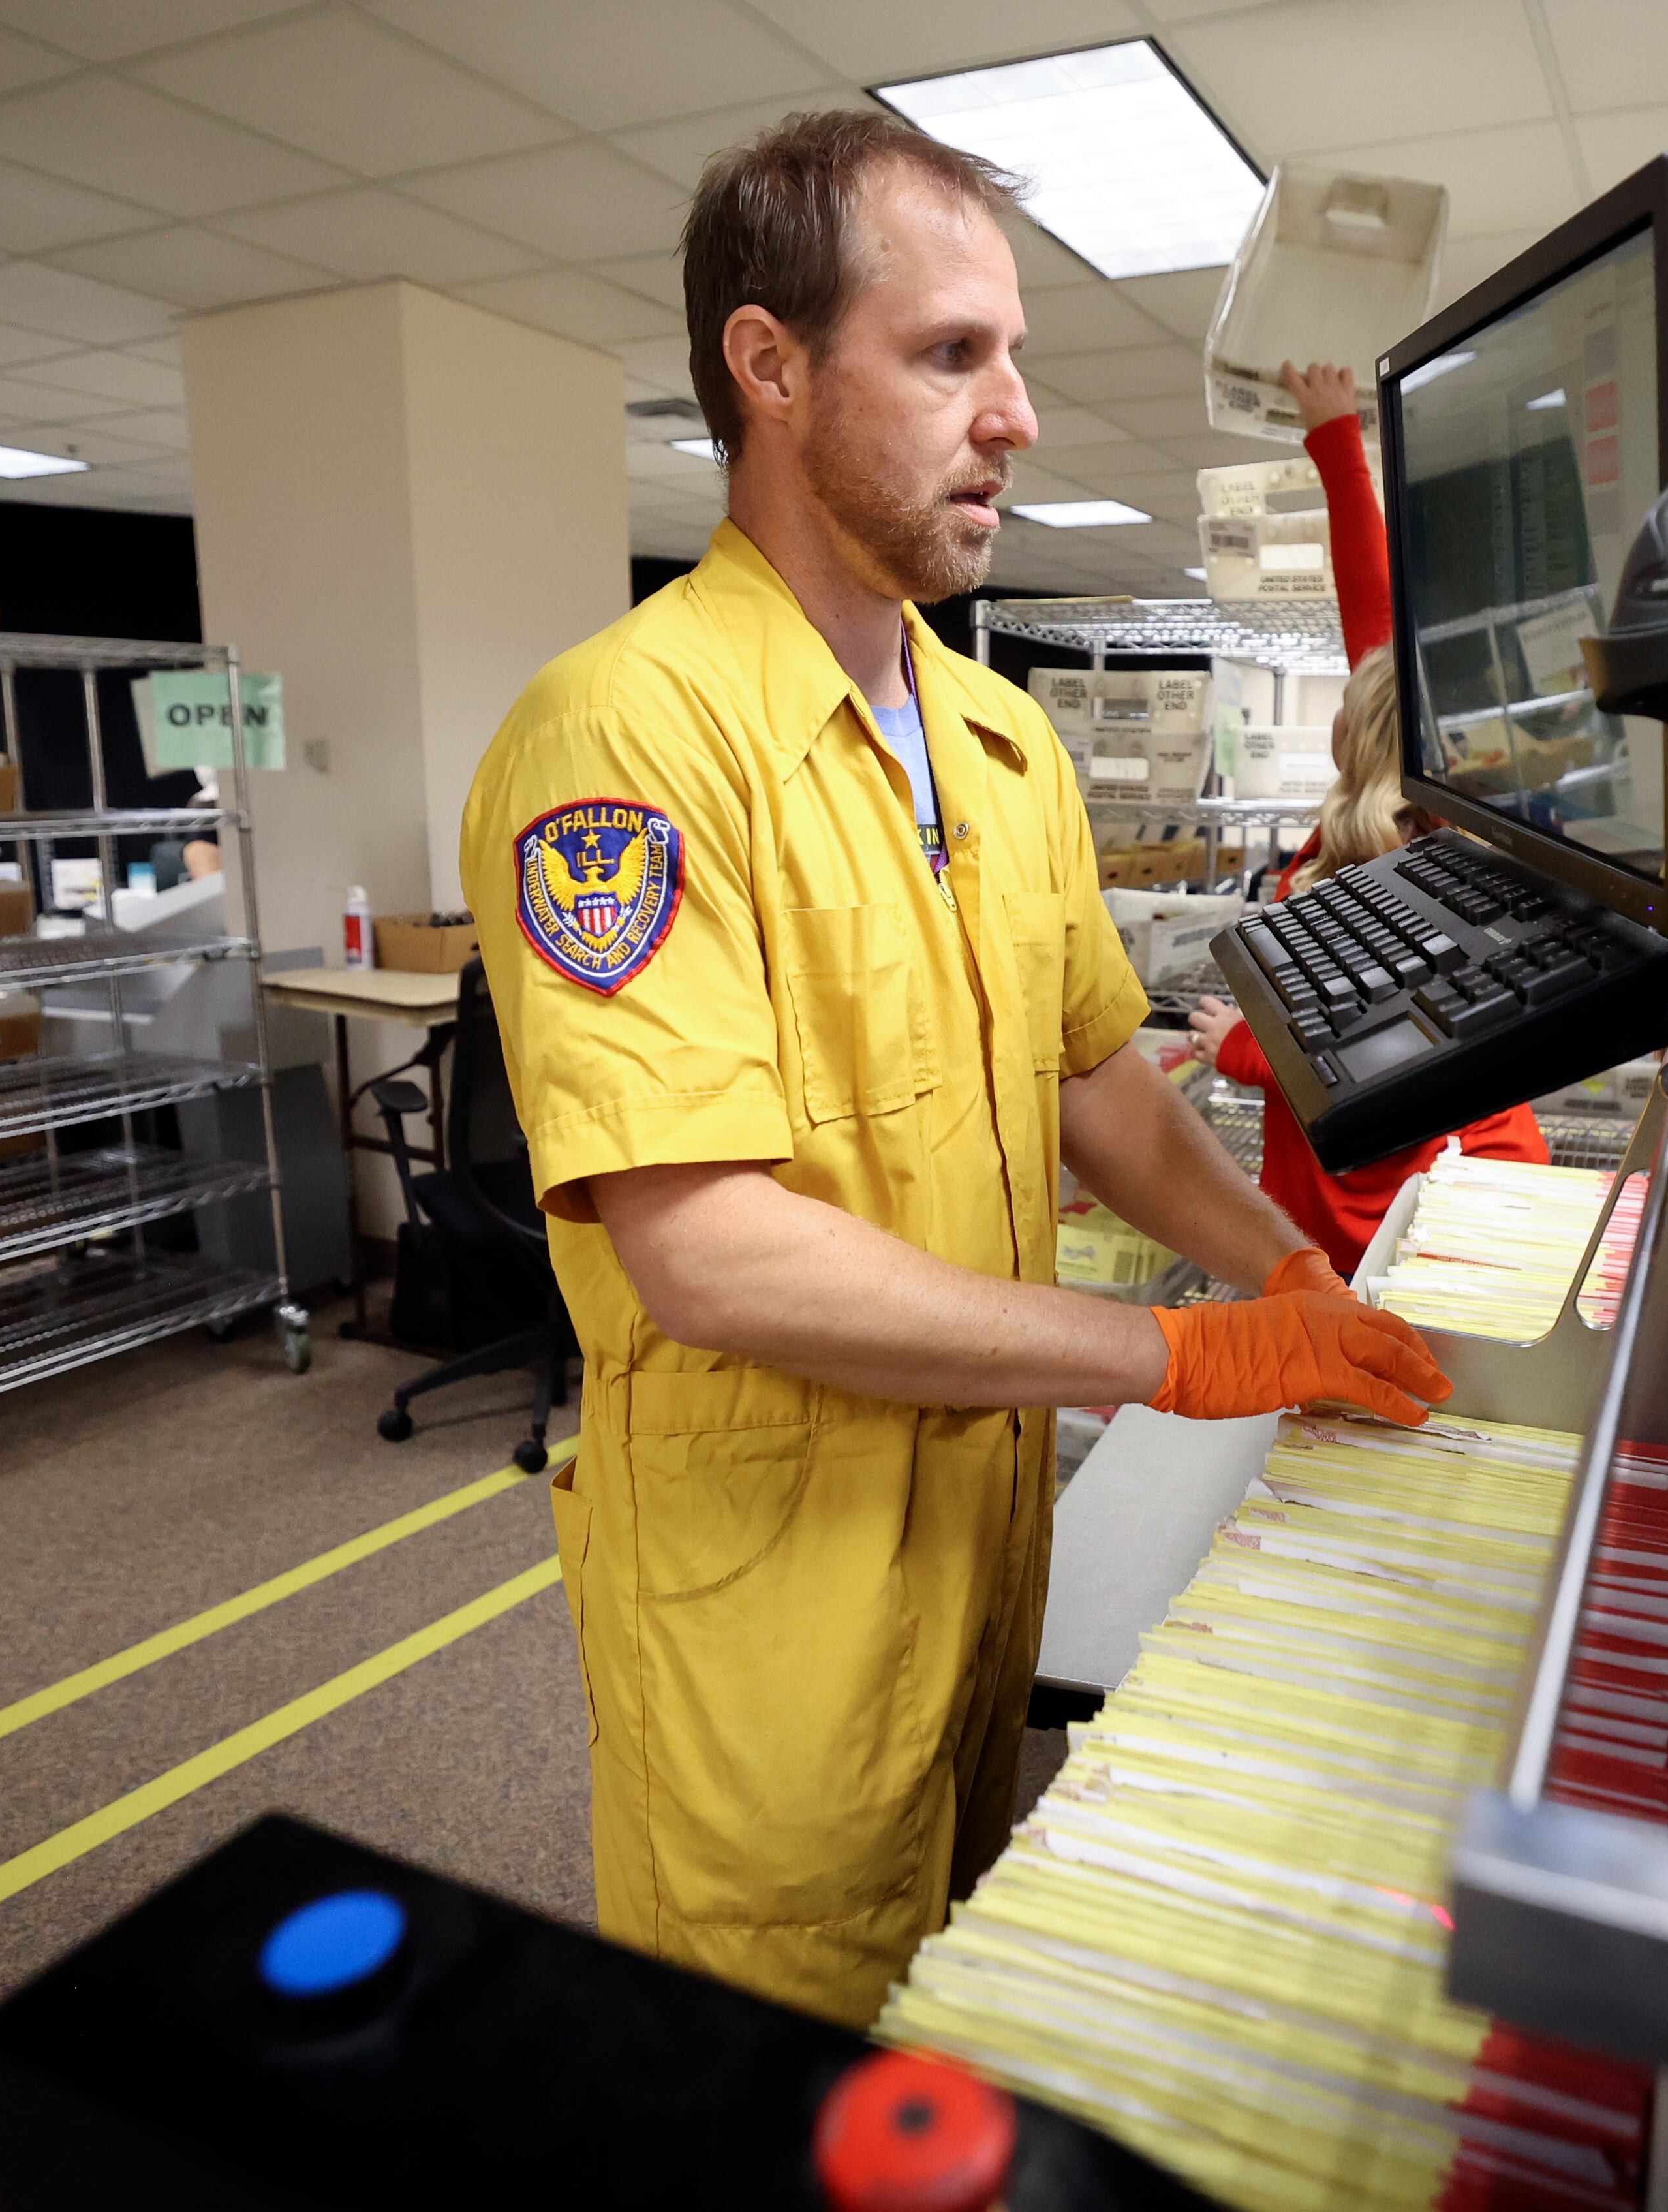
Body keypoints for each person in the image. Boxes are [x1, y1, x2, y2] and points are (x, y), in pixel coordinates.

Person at [461, 112, 1448, 2031]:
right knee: (779, 2072)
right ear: (769, 365)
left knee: (954, 2037)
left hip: (992, 1542)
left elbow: (1099, 1080)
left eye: (1013, 355)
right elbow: (711, 1252)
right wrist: (1167, 1354)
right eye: (950, 355)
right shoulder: (627, 738)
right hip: (781, 1603)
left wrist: (1279, 1272)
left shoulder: (996, 740)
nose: (1019, 414)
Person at [1186, 361, 1551, 1276]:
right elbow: (1376, 614)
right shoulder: (1393, 802)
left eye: (1352, 692)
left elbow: (1387, 1059)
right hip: (1387, 1204)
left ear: (1363, 725)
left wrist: (1244, 1046)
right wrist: (1334, 437)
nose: (1344, 693)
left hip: (1435, 1222)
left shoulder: (1412, 858)